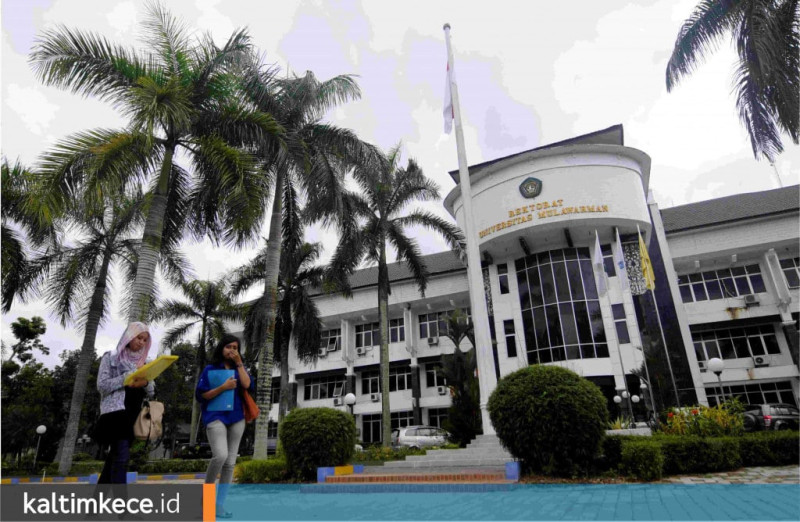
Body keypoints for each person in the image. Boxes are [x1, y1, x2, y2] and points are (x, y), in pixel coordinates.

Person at [195, 334, 253, 519]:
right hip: (215, 416)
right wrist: (223, 387)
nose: (232, 350)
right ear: (221, 348)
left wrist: (240, 364)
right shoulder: (210, 369)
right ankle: (206, 500)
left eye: (235, 347)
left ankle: (219, 506)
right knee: (220, 455)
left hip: (236, 417)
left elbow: (247, 384)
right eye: (228, 346)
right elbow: (202, 396)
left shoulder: (239, 369)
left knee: (230, 463)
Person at [95, 322, 154, 484]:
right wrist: (126, 378)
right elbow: (102, 385)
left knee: (115, 457)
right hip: (115, 413)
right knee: (121, 457)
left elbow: (151, 391)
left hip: (132, 414)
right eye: (138, 338)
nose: (141, 342)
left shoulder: (145, 361)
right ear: (129, 336)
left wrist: (145, 383)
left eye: (144, 339)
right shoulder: (111, 357)